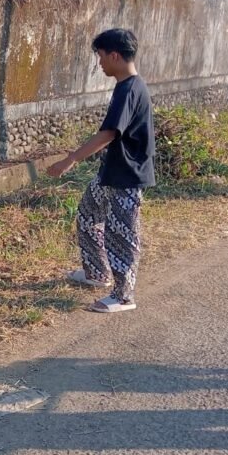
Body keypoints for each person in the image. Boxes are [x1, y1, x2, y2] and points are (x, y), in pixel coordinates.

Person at [46, 28, 155, 313]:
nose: (100, 63)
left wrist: (70, 160)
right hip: (112, 172)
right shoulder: (124, 86)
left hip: (127, 176)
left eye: (101, 56)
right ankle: (97, 273)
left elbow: (108, 133)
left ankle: (123, 297)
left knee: (123, 234)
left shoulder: (130, 89)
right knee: (88, 214)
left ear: (115, 56)